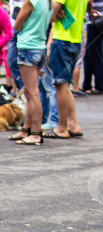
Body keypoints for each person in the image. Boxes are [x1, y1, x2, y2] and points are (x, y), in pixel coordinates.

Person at [8, 0, 51, 146]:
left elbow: (18, 24)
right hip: (40, 45)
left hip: (28, 45)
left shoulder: (31, 1)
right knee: (29, 91)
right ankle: (26, 129)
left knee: (32, 92)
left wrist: (22, 25)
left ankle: (36, 133)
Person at [43, 0, 86, 138]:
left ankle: (62, 127)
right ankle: (73, 124)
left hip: (62, 39)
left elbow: (50, 14)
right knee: (65, 85)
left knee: (60, 85)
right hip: (75, 39)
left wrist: (52, 14)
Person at [82, 0, 103, 93]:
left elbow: (89, 1)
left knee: (95, 54)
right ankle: (87, 84)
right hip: (96, 20)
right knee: (89, 54)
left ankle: (99, 85)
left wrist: (88, 10)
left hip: (96, 20)